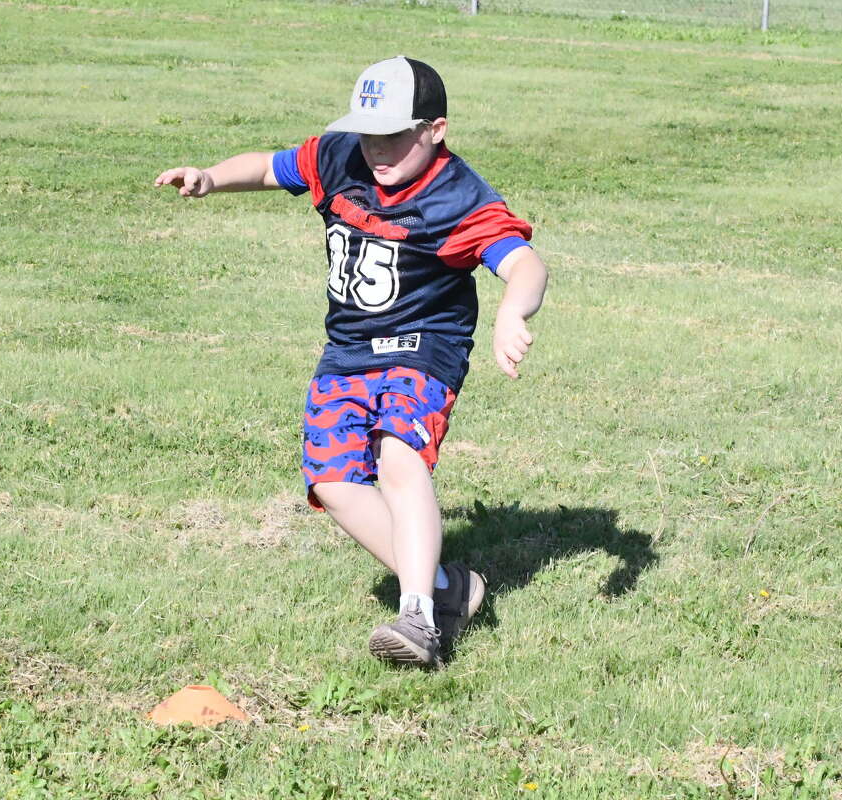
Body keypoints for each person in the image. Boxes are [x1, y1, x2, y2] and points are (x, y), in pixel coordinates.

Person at [154, 56, 548, 668]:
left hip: (424, 348)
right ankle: (449, 589)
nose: (377, 149)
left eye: (394, 134)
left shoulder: (457, 197)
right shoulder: (340, 156)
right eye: (368, 132)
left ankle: (416, 615)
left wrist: (511, 312)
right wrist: (210, 177)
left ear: (435, 130)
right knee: (333, 484)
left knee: (398, 458)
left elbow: (525, 263)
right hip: (348, 350)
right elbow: (267, 166)